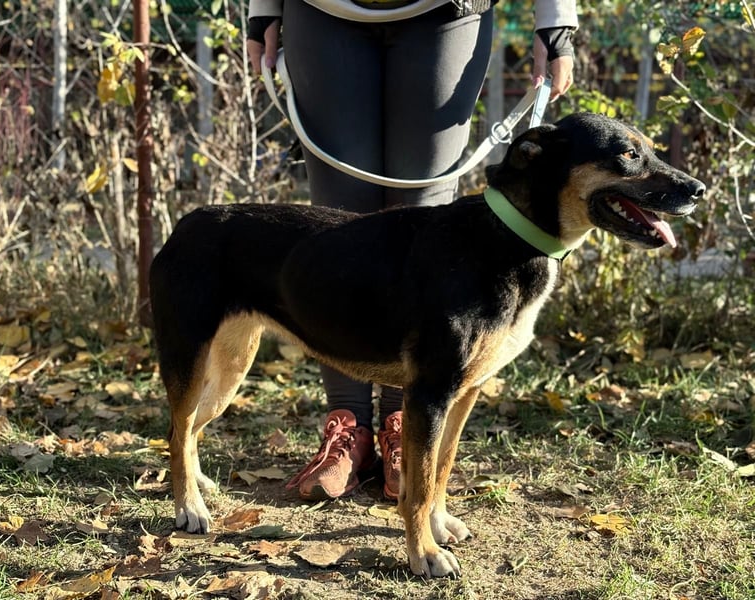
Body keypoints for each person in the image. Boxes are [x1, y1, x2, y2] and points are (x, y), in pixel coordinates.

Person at [246, 0, 577, 502]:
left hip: (446, 11)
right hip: (322, 10)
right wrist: (263, 9)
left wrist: (556, 21)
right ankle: (348, 428)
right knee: (338, 225)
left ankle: (407, 423)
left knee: (427, 214)